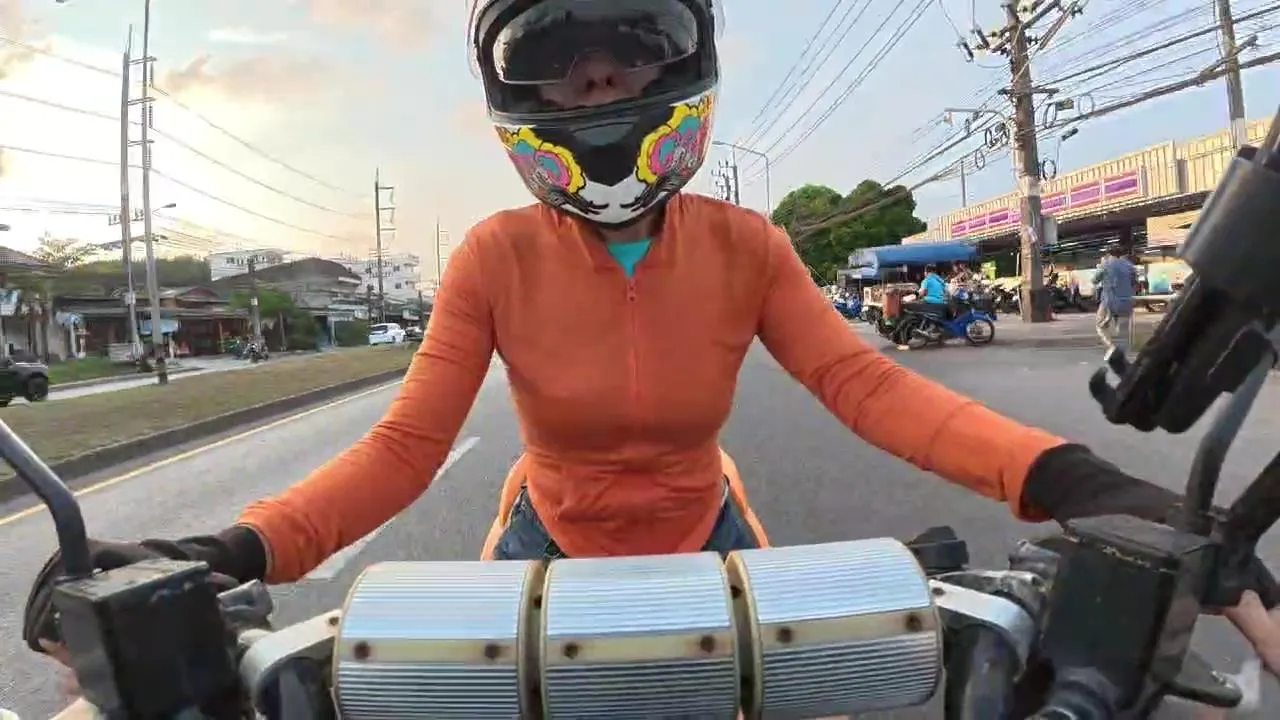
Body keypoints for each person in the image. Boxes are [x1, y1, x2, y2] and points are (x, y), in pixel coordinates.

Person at [23, 0, 1279, 705]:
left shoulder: (746, 245)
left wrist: (1080, 483)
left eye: (625, 58)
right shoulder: (490, 256)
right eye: (563, 74)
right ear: (520, 100)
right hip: (540, 540)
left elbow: (864, 385)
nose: (599, 91)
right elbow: (406, 448)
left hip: (708, 531)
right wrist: (226, 553)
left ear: (683, 69)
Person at [1094, 245, 1138, 357]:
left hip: (1109, 301)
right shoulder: (1129, 266)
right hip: (1126, 301)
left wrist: (1101, 266)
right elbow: (1134, 282)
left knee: (1100, 324)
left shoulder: (1105, 264)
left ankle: (1111, 347)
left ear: (1108, 254)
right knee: (1122, 329)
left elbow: (1094, 280)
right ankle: (1122, 351)